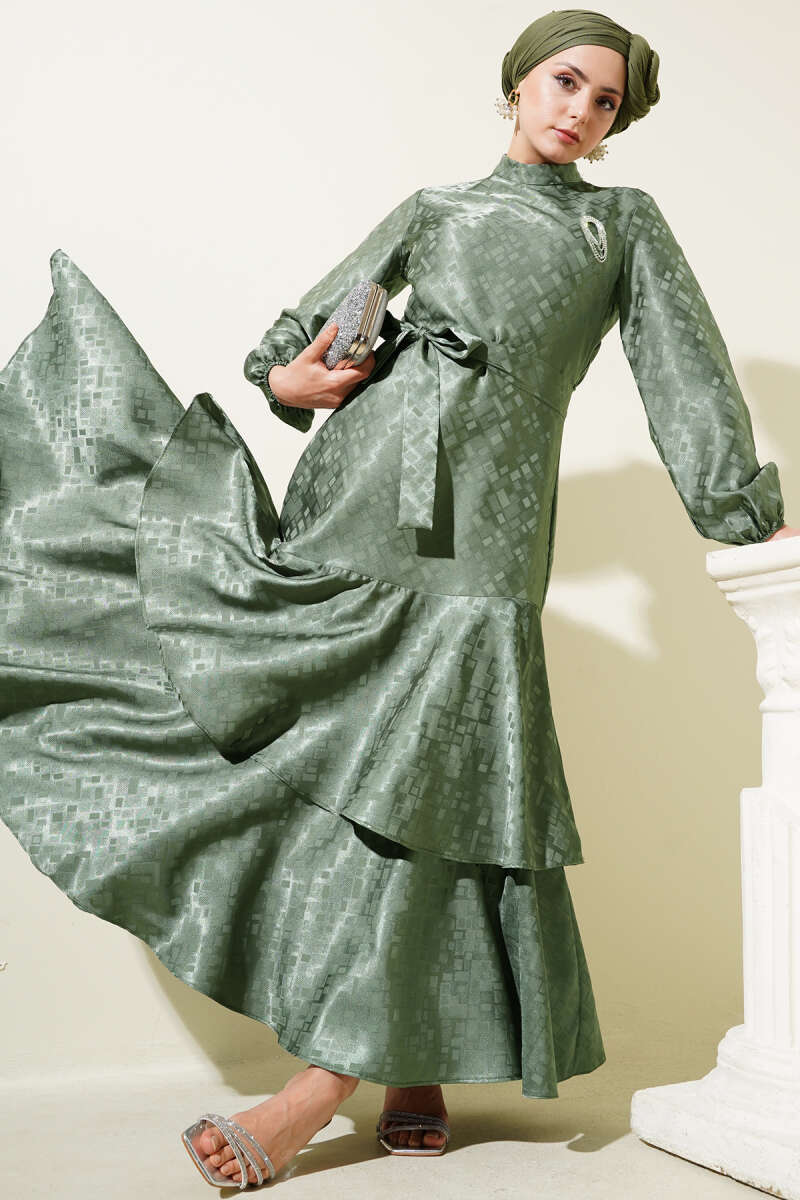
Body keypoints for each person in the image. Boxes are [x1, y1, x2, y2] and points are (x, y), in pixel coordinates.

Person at [1, 6, 797, 1191]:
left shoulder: (618, 224)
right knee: (356, 779)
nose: (580, 111)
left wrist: (741, 511)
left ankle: (324, 1084)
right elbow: (294, 348)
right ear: (518, 84)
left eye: (604, 102)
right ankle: (404, 1059)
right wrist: (296, 378)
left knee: (436, 777)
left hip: (484, 535)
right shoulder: (433, 209)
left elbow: (679, 367)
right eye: (564, 82)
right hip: (361, 495)